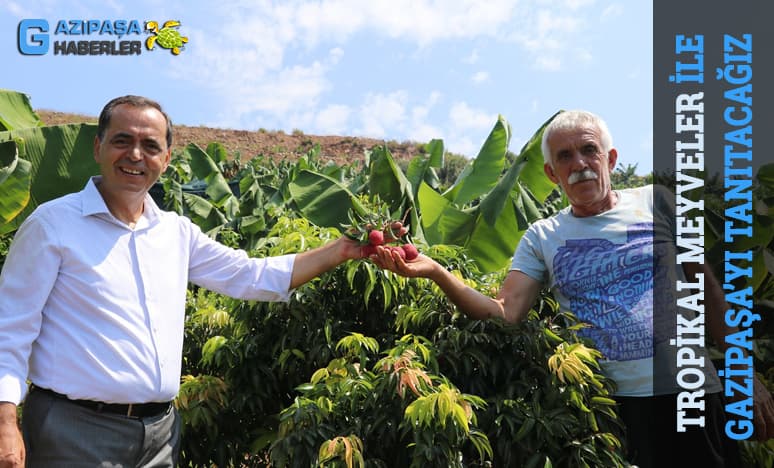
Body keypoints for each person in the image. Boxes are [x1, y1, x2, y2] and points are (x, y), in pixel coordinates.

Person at [372, 110, 774, 467]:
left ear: (610, 158)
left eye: (589, 150)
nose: (579, 163)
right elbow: (506, 312)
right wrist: (438, 273)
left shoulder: (660, 202)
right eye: (564, 156)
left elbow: (709, 293)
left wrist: (744, 373)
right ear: (551, 173)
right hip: (612, 413)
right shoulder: (542, 236)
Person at [0, 95, 364, 467]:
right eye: (122, 140)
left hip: (160, 434)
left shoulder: (175, 232)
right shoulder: (53, 225)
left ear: (167, 158)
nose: (136, 155)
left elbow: (250, 276)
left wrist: (341, 249)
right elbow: (10, 328)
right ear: (98, 146)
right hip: (74, 430)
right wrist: (5, 424)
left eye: (151, 145)